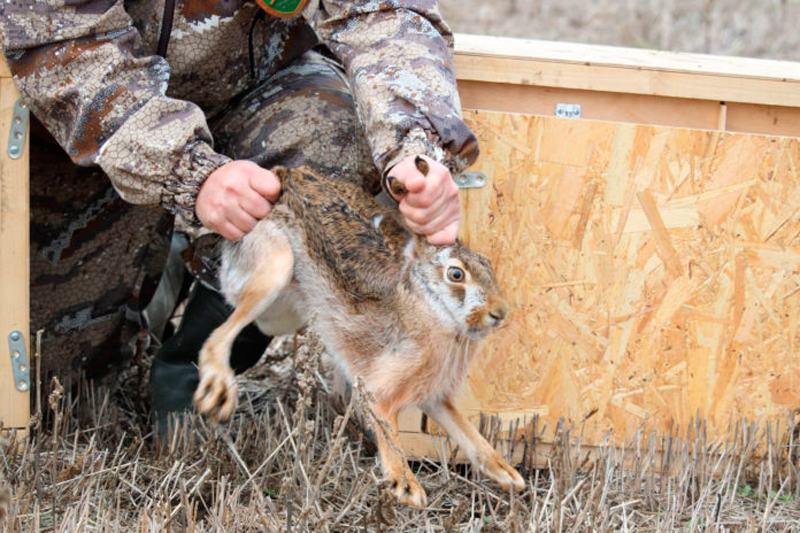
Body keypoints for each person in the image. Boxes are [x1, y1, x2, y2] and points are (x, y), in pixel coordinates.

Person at [0, 0, 479, 426]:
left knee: (335, 141)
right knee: (53, 395)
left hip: (248, 88)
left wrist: (414, 149)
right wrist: (188, 171)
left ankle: (194, 363)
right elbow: (62, 38)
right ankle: (167, 251)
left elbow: (386, 13)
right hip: (84, 133)